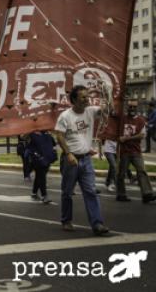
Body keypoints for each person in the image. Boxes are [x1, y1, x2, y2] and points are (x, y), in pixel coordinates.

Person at [54, 85, 109, 236]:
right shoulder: (65, 116)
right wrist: (68, 154)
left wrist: (108, 97)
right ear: (74, 100)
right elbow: (59, 135)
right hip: (70, 160)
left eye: (87, 96)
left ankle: (97, 224)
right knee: (67, 192)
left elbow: (106, 111)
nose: (87, 99)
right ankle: (66, 220)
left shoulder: (91, 111)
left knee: (91, 191)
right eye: (83, 97)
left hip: (86, 160)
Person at [115, 99, 156, 204]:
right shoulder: (122, 119)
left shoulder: (141, 120)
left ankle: (147, 194)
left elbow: (141, 135)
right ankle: (121, 194)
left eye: (134, 107)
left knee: (141, 171)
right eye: (130, 106)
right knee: (121, 173)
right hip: (124, 151)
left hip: (135, 151)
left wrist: (126, 138)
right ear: (127, 107)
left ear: (137, 108)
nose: (132, 108)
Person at [27, 130, 57, 204]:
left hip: (47, 158)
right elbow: (29, 146)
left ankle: (34, 193)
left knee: (39, 176)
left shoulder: (47, 133)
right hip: (38, 159)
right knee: (42, 176)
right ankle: (44, 196)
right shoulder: (32, 134)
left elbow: (54, 143)